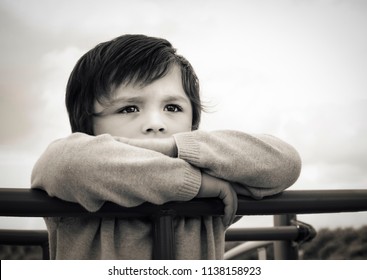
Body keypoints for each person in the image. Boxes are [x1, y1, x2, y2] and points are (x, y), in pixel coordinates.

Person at [31, 34, 302, 259]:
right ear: (86, 126)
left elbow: (285, 162)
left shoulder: (212, 168)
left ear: (193, 124)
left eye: (172, 107)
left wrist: (173, 148)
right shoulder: (78, 182)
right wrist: (197, 185)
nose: (156, 123)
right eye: (128, 108)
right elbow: (66, 163)